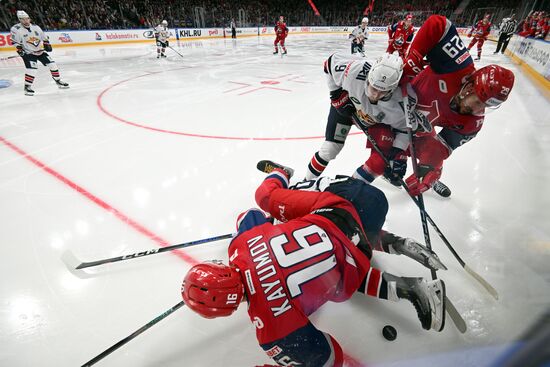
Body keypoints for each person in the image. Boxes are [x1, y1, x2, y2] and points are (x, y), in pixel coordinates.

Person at [182, 161, 446, 366]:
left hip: (358, 254)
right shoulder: (240, 244)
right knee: (265, 198)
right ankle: (393, 242)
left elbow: (329, 359)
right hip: (341, 206)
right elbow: (249, 215)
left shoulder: (271, 330)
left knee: (341, 278)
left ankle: (407, 282)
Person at [402, 15, 515, 196]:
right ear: (469, 87)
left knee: (427, 149)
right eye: (479, 102)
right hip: (402, 99)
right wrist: (413, 58)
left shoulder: (473, 124)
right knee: (390, 145)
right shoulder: (458, 65)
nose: (479, 111)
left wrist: (430, 166)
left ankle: (431, 176)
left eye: (485, 106)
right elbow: (439, 24)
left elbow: (443, 146)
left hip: (421, 123)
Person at [305, 52, 430, 190]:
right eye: (373, 87)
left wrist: (397, 151)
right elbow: (329, 63)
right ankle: (306, 182)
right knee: (330, 149)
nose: (375, 95)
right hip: (346, 108)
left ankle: (347, 191)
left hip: (374, 121)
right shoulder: (355, 70)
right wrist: (336, 95)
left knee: (381, 161)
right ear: (369, 76)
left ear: (393, 89)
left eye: (382, 92)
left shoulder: (402, 103)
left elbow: (404, 129)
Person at [10, 10, 69, 96]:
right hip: (28, 53)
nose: (26, 21)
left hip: (40, 51)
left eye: (27, 19)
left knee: (53, 65)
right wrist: (20, 50)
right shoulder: (15, 29)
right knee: (32, 70)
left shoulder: (36, 27)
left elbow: (44, 38)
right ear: (20, 20)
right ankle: (27, 87)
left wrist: (47, 44)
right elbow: (15, 42)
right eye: (23, 19)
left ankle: (58, 81)